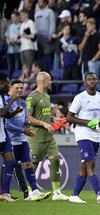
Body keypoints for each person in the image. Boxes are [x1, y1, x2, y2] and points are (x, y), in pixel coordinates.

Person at [67, 72, 100, 204]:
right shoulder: (80, 98)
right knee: (90, 163)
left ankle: (74, 194)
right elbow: (69, 117)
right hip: (82, 133)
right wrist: (88, 122)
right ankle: (99, 194)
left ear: (97, 81)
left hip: (95, 135)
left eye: (94, 79)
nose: (92, 81)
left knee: (85, 165)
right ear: (85, 82)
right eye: (89, 80)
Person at [5, 80, 51, 201]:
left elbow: (25, 120)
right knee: (10, 166)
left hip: (22, 139)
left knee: (28, 164)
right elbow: (7, 125)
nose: (20, 90)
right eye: (17, 88)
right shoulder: (7, 102)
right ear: (10, 89)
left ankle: (34, 191)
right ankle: (5, 192)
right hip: (10, 140)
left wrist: (28, 124)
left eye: (21, 88)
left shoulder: (23, 103)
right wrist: (24, 130)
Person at [26, 72, 69, 201]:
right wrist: (44, 123)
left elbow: (43, 114)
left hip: (49, 136)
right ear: (43, 81)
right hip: (36, 136)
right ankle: (30, 192)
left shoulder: (47, 96)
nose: (51, 82)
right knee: (33, 164)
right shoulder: (32, 97)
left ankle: (57, 193)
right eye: (49, 80)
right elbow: (28, 118)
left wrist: (52, 118)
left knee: (55, 159)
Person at [0, 73, 25, 202]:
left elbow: (5, 115)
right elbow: (1, 112)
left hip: (3, 136)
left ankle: (4, 193)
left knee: (10, 162)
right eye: (6, 82)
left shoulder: (1, 97)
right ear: (1, 83)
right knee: (10, 162)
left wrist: (15, 112)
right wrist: (11, 101)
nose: (7, 85)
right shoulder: (5, 98)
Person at [5, 11, 21, 75]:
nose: (12, 19)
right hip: (10, 50)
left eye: (14, 17)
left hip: (18, 50)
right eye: (12, 17)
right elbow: (7, 36)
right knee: (10, 68)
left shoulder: (21, 25)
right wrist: (8, 41)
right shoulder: (10, 26)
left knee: (17, 67)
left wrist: (16, 41)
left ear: (17, 17)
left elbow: (22, 37)